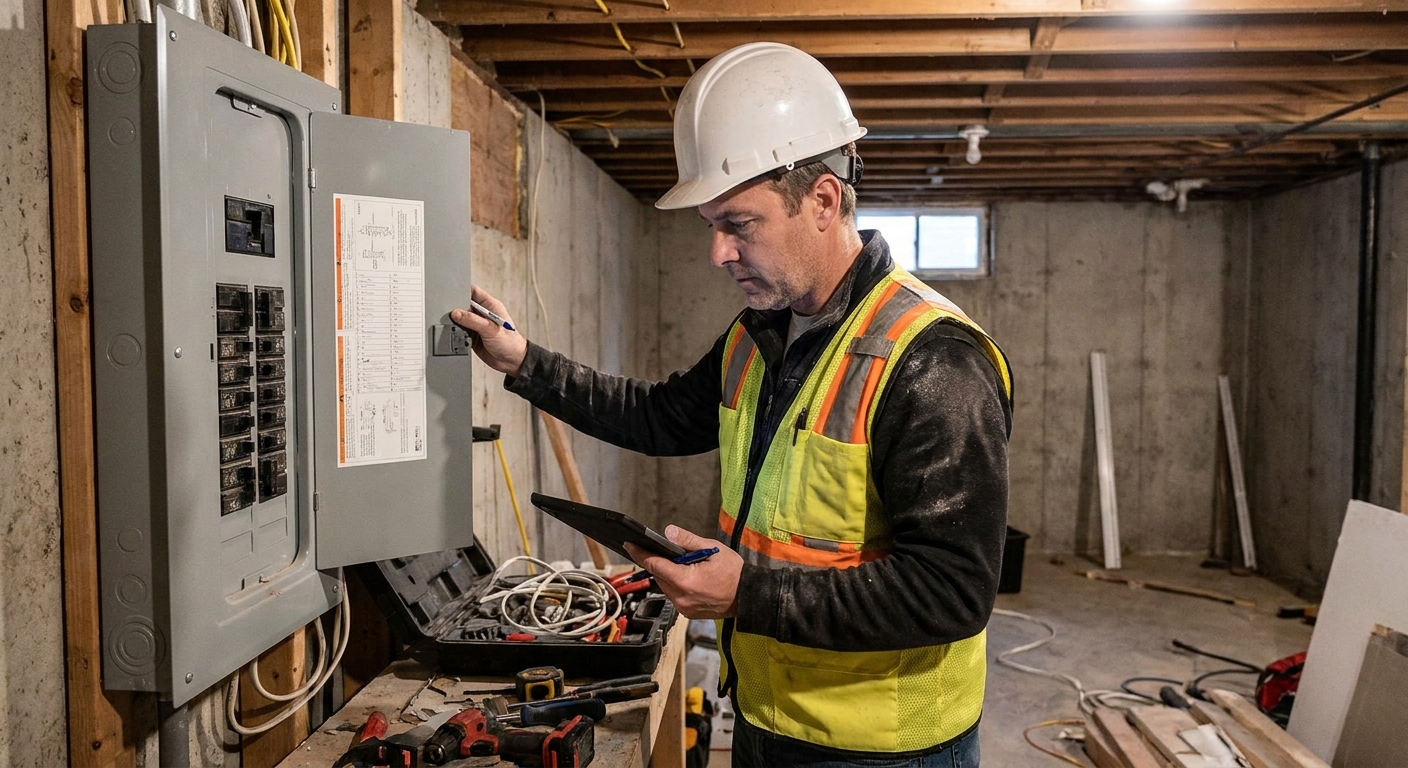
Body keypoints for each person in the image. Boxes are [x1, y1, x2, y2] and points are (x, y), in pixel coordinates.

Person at [453, 42, 1011, 768]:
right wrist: (524, 361)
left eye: (738, 225)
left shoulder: (933, 359)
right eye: (711, 225)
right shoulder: (760, 334)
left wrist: (747, 593)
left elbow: (953, 592)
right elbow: (659, 417)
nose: (717, 253)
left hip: (882, 750)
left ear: (822, 201)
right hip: (765, 717)